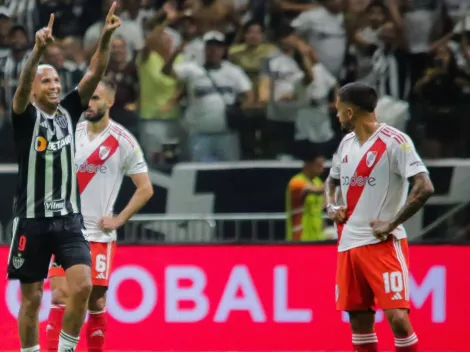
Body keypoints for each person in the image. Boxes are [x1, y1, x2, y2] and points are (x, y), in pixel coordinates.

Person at [6, 4, 121, 352]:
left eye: (57, 80)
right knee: (32, 301)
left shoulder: (70, 111)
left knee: (83, 287)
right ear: (36, 89)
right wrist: (37, 51)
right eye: (47, 81)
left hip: (68, 221)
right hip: (31, 221)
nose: (55, 86)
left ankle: (66, 349)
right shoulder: (25, 117)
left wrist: (105, 37)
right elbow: (22, 88)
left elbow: (94, 71)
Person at [325, 82, 434, 352]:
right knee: (359, 320)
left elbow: (424, 186)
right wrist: (331, 205)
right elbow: (331, 181)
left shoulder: (395, 141)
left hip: (382, 244)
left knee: (397, 319)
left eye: (339, 110)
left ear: (349, 112)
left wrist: (392, 223)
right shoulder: (346, 143)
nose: (336, 115)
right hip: (348, 244)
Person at [46, 78, 153, 352]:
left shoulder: (123, 141)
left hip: (98, 235)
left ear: (110, 102)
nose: (89, 104)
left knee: (95, 303)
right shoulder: (70, 131)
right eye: (87, 99)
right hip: (65, 230)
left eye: (95, 98)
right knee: (60, 295)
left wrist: (120, 219)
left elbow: (145, 189)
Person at [286, 149, 325, 241]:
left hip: (318, 237)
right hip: (300, 238)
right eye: (319, 165)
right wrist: (337, 177)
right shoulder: (296, 182)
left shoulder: (317, 182)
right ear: (308, 164)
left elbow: (321, 207)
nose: (322, 169)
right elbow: (318, 190)